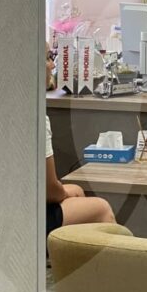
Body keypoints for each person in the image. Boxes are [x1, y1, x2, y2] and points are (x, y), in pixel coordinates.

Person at [45, 49, 115, 240]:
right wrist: (63, 192)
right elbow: (50, 190)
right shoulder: (37, 119)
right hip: (30, 214)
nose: (53, 64)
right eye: (48, 58)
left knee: (76, 190)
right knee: (102, 209)